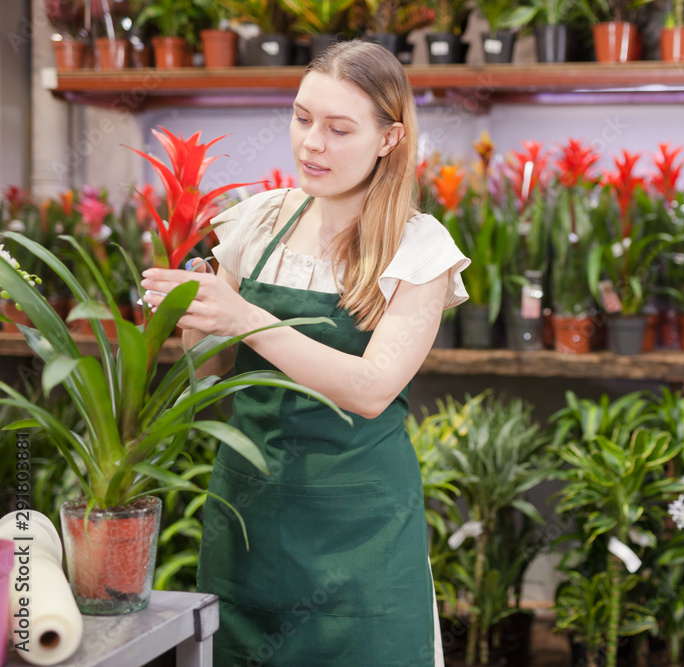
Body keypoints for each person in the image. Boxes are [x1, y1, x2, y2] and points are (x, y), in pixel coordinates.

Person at [138, 40, 469, 666]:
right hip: (247, 529)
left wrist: (247, 317)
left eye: (339, 128)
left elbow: (372, 389)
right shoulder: (258, 224)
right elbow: (206, 370)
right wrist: (194, 310)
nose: (311, 143)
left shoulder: (419, 249)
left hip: (361, 540)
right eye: (302, 117)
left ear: (389, 139)